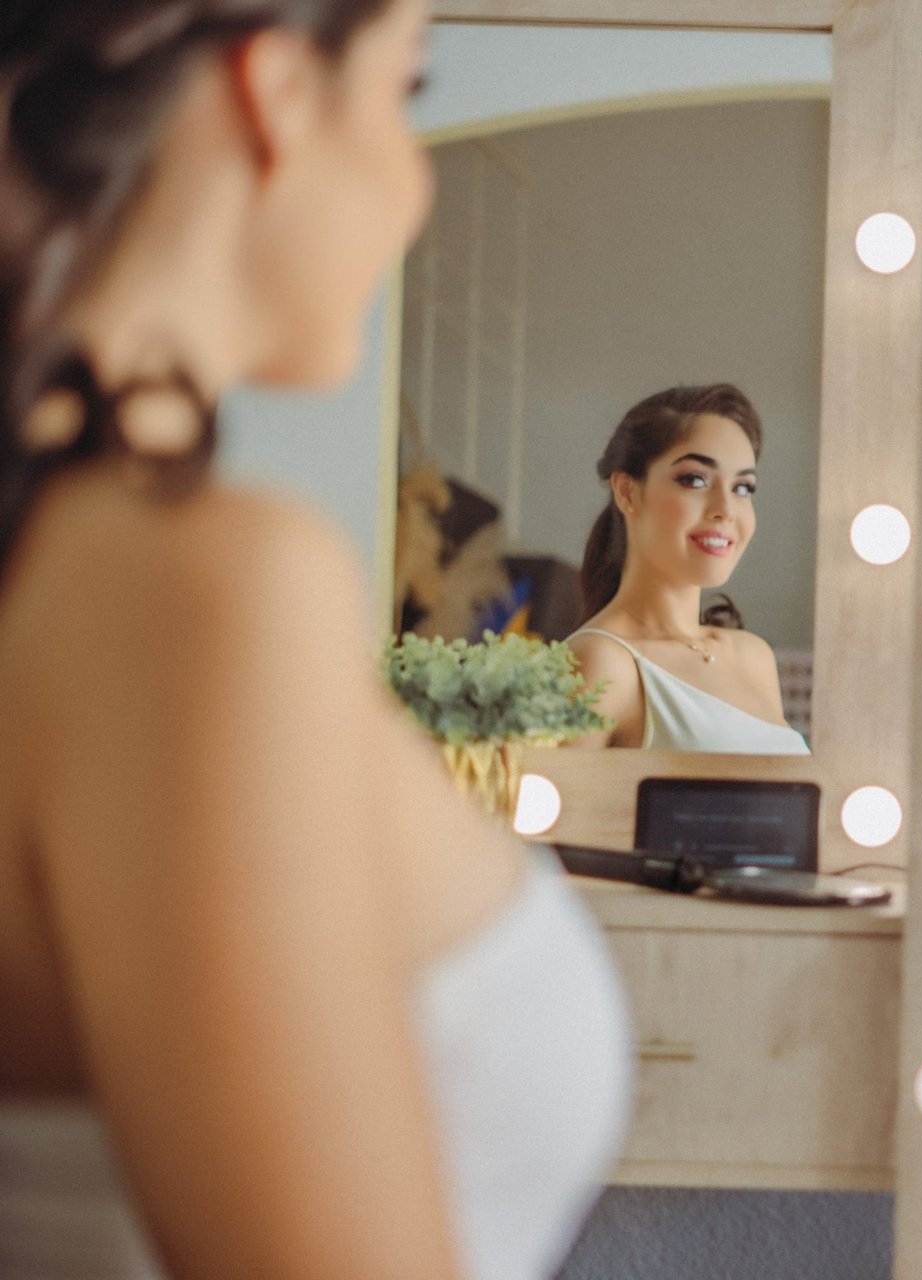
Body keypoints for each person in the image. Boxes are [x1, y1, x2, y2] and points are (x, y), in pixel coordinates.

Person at [0, 3, 630, 1277]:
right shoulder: (201, 591)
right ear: (275, 91)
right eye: (407, 85)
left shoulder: (80, 566)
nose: (417, 180)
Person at [565, 383, 808, 755]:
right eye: (695, 480)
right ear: (627, 492)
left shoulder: (753, 657)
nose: (726, 508)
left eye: (743, 487)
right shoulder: (601, 662)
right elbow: (535, 809)